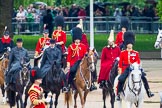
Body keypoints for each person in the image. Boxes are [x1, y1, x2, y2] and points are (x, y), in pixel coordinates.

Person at [116, 31, 154, 101]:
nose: (130, 45)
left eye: (131, 44)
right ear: (126, 44)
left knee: (144, 78)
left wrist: (139, 69)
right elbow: (120, 63)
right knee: (121, 79)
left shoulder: (136, 53)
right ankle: (118, 93)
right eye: (128, 44)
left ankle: (148, 91)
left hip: (135, 69)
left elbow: (138, 62)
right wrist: (120, 71)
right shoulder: (122, 53)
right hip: (125, 69)